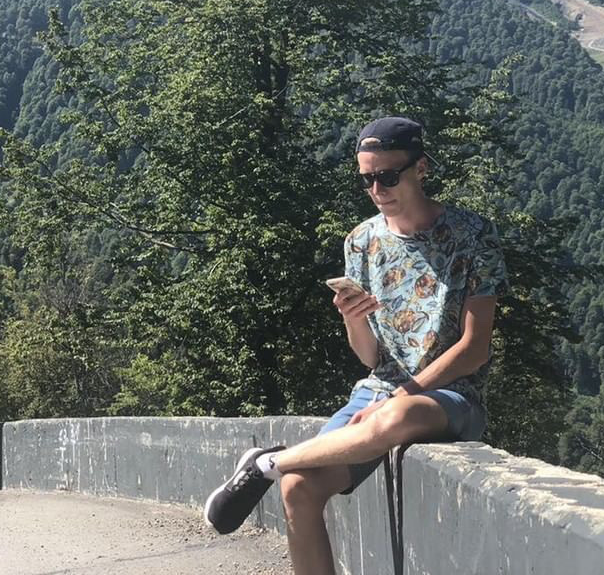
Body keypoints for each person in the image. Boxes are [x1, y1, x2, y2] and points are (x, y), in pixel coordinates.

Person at [203, 116, 508, 574]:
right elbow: (369, 357)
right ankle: (276, 468)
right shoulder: (362, 241)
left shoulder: (473, 234)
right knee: (298, 488)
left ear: (421, 168)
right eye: (367, 179)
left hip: (449, 396)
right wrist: (354, 319)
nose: (377, 190)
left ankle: (267, 462)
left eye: (388, 176)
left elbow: (474, 348)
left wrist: (403, 394)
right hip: (378, 393)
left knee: (398, 416)